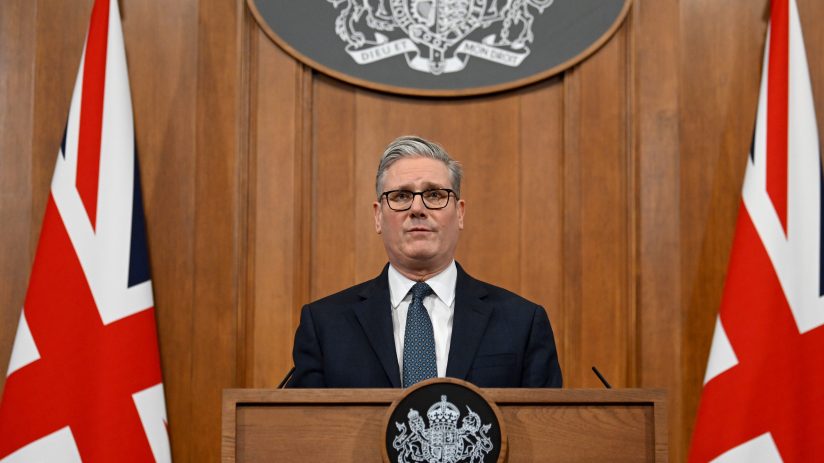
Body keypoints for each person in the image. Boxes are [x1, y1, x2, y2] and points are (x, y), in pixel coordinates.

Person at [289, 135, 562, 388]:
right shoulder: (325, 325)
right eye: (401, 196)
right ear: (378, 217)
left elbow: (546, 421)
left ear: (460, 213)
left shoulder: (522, 322)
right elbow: (305, 422)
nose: (417, 208)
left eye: (434, 195)